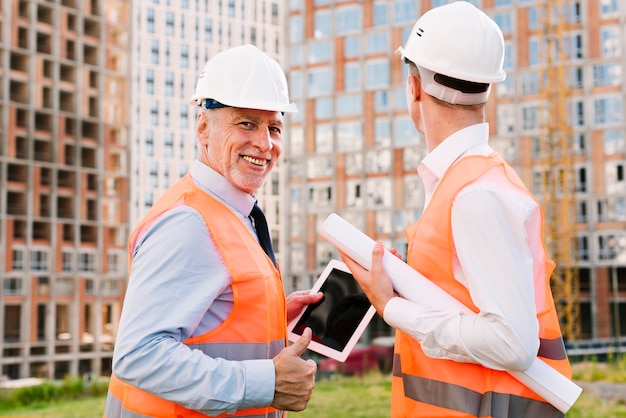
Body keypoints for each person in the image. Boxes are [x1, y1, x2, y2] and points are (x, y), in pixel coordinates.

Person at [339, 2, 572, 417]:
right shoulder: (468, 182)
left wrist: (393, 308)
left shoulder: (475, 193)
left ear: (414, 87)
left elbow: (512, 344)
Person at [103, 44, 322, 418]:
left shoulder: (231, 212)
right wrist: (267, 382)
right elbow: (138, 354)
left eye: (274, 127)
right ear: (203, 128)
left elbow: (206, 318)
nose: (265, 144)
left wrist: (269, 315)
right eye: (246, 123)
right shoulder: (188, 222)